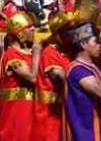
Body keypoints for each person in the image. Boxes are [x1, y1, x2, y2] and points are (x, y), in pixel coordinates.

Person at [64, 23, 101, 141]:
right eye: (96, 42)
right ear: (83, 44)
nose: (99, 45)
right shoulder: (77, 70)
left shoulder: (93, 66)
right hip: (85, 134)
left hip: (100, 131)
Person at [0, 11, 40, 141]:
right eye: (28, 27)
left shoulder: (29, 51)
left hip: (34, 106)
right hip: (18, 108)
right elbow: (32, 77)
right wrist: (37, 54)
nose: (33, 29)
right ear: (19, 32)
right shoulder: (11, 54)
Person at [34, 11, 74, 141]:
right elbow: (59, 77)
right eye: (68, 30)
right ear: (58, 34)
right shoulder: (49, 53)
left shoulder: (70, 52)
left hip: (65, 110)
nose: (72, 34)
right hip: (50, 113)